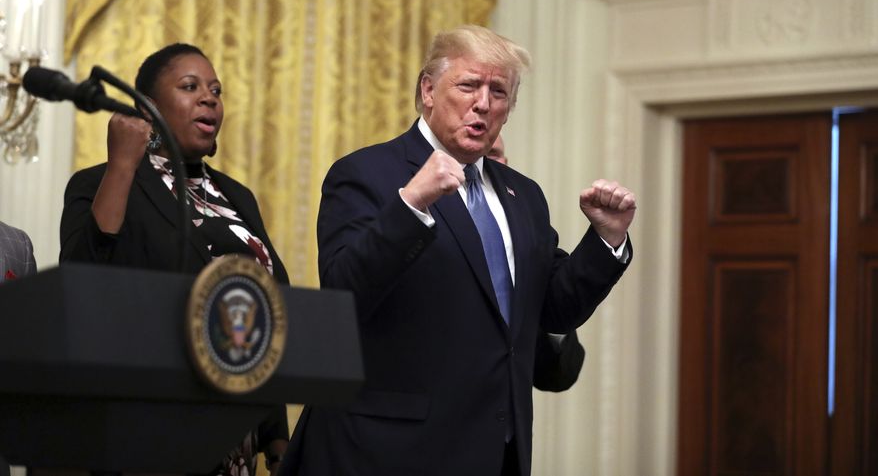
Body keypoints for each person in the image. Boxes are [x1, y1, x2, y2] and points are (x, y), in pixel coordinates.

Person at [280, 25, 635, 476]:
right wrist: (411, 205)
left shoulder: (522, 195)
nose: (483, 103)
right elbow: (343, 291)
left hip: (495, 449)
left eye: (499, 91)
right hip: (388, 451)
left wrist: (606, 240)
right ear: (428, 90)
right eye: (468, 85)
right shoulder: (367, 172)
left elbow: (553, 310)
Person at [59, 43, 288, 475]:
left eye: (216, 90)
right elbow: (82, 279)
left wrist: (277, 443)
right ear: (147, 107)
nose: (209, 98)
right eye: (190, 86)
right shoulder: (98, 182)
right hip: (146, 435)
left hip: (235, 444)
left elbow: (265, 312)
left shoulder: (237, 198)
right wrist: (123, 165)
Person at [489, 134, 586, 392]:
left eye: (493, 155)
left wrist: (552, 314)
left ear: (505, 164)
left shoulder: (526, 228)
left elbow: (558, 375)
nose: (483, 163)